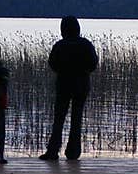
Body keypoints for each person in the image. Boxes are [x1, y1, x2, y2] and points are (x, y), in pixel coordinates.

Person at [39, 15, 99, 161]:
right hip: (81, 85)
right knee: (76, 119)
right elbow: (93, 64)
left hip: (63, 85)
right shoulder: (86, 45)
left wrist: (63, 71)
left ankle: (53, 151)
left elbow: (52, 63)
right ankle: (73, 152)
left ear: (63, 29)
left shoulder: (60, 45)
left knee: (59, 119)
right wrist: (82, 72)